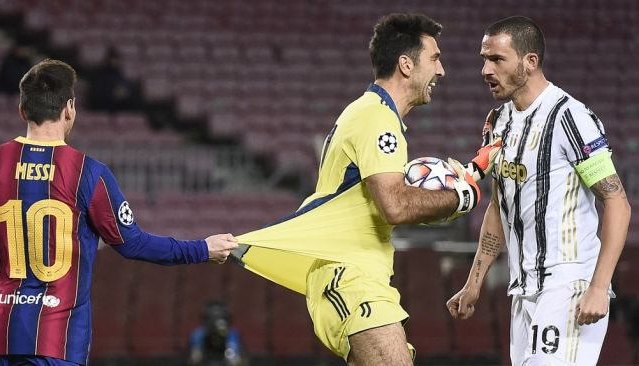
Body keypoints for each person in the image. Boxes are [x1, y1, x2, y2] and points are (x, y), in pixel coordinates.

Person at [232, 13, 500, 365]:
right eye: (434, 58)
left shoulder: (371, 114)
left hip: (361, 275)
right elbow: (395, 205)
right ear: (406, 64)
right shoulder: (376, 118)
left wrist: (471, 173)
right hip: (348, 275)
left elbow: (389, 195)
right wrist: (462, 198)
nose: (441, 71)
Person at [0, 59, 238, 366]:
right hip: (58, 341)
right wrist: (202, 249)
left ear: (22, 110)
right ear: (70, 109)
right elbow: (134, 244)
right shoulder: (88, 173)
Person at [446, 16, 631, 366]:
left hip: (570, 283)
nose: (486, 69)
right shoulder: (498, 121)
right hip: (523, 288)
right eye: (484, 59)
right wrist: (474, 283)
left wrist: (597, 286)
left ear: (530, 62)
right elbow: (499, 207)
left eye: (497, 59)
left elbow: (617, 202)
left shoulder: (570, 117)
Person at [188, 301, 246, 366]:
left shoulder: (232, 335)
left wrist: (233, 357)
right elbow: (193, 359)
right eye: (212, 319)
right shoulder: (198, 334)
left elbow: (237, 360)